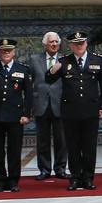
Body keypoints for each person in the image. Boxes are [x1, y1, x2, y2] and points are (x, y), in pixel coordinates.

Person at [45, 31, 102, 191]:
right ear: (71, 46)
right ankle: (74, 178)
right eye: (76, 44)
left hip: (91, 110)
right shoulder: (63, 61)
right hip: (70, 111)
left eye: (82, 43)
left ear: (86, 44)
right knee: (73, 146)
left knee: (89, 146)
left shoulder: (97, 60)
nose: (79, 46)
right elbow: (48, 79)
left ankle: (88, 178)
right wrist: (53, 70)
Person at [0, 39, 34, 192]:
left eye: (8, 51)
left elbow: (29, 94)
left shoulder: (23, 69)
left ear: (14, 52)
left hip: (15, 117)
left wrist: (26, 114)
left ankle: (13, 181)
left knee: (14, 151)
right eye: (3, 51)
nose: (6, 53)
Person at [28, 31, 67, 181]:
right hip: (40, 103)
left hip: (60, 103)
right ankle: (44, 169)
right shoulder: (34, 59)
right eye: (51, 42)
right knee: (42, 140)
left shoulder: (64, 60)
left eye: (56, 42)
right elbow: (28, 81)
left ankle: (60, 168)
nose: (54, 44)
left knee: (61, 139)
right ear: (45, 44)